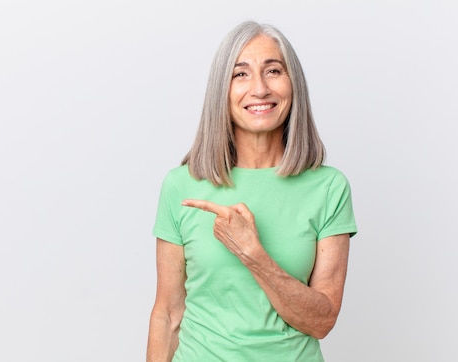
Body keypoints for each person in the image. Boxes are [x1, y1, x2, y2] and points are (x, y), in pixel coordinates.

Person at [146, 20, 358, 362]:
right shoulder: (181, 185)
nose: (259, 89)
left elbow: (321, 321)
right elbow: (168, 315)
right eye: (240, 74)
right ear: (222, 91)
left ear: (293, 85)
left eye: (273, 70)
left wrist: (251, 253)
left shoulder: (328, 187)